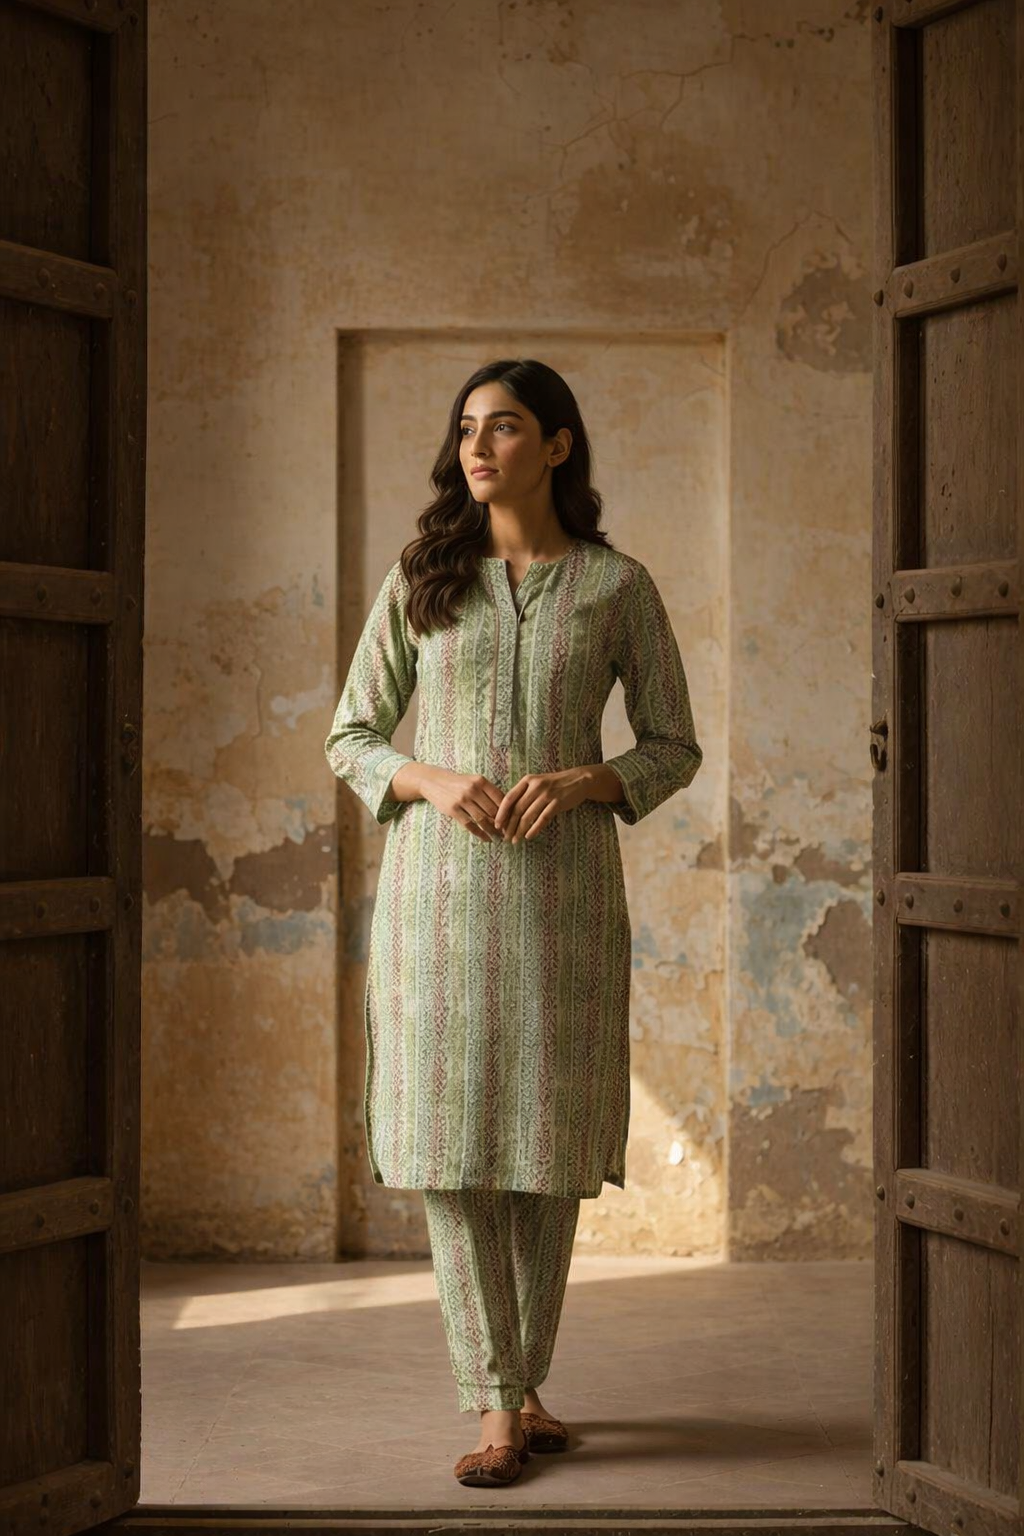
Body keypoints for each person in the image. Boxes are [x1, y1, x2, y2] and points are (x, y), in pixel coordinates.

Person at [324, 357, 703, 1488]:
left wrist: (587, 780)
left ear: (557, 446)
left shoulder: (614, 588)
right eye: (465, 429)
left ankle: (521, 1381)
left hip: (563, 903)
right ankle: (496, 1402)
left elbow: (673, 746)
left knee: (541, 1147)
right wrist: (432, 780)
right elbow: (351, 736)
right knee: (450, 1149)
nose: (478, 447)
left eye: (504, 427)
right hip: (433, 907)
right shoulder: (422, 580)